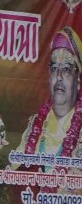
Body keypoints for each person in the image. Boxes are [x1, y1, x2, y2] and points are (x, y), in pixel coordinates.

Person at [17, 27, 81, 160]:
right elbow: (16, 169)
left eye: (66, 69)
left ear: (78, 79)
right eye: (54, 68)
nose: (58, 76)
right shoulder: (33, 126)